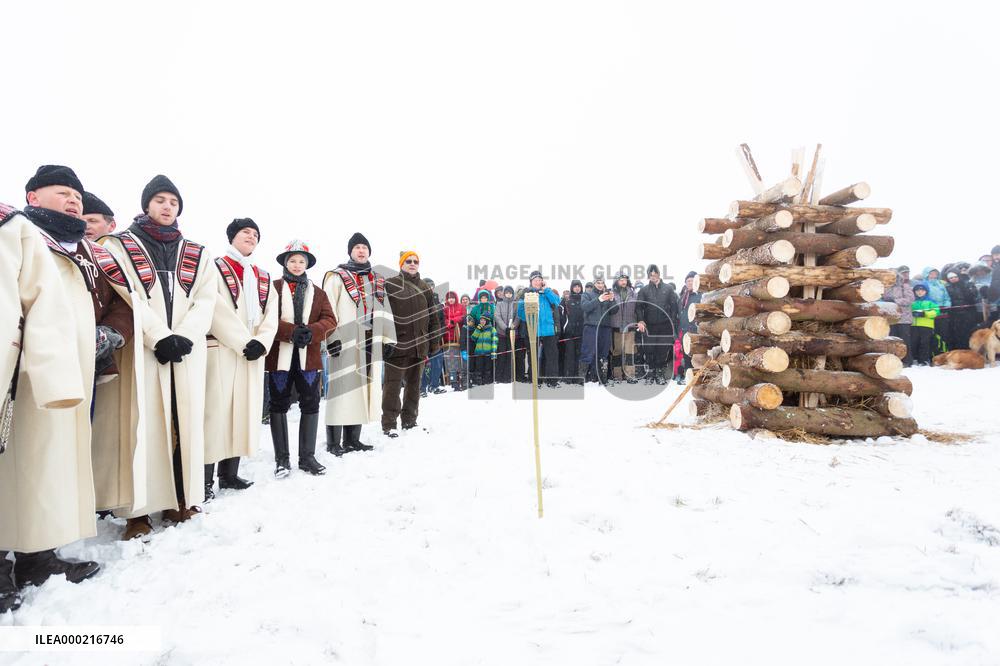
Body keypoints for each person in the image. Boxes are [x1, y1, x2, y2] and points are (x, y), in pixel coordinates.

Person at [0, 167, 111, 611]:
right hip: (25, 374)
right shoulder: (19, 230)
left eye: (78, 196)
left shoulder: (78, 249)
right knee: (11, 467)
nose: (74, 200)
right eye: (62, 192)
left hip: (65, 373)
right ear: (32, 195)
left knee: (42, 470)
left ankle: (36, 556)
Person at [101, 175, 216, 539]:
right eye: (161, 200)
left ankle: (179, 498)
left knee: (184, 424)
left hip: (186, 350)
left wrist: (183, 335)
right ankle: (137, 511)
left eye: (174, 202)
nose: (167, 207)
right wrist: (159, 336)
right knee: (141, 426)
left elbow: (206, 299)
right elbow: (128, 294)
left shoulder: (198, 252)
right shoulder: (120, 245)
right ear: (146, 204)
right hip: (143, 349)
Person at [204, 219, 278, 497]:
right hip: (222, 348)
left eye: (256, 234)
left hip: (252, 353)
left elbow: (271, 311)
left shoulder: (262, 275)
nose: (251, 236)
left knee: (241, 412)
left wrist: (261, 342)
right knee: (215, 413)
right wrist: (243, 341)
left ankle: (229, 473)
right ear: (232, 236)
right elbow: (214, 306)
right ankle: (204, 480)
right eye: (246, 232)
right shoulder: (213, 267)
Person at [266, 240, 336, 473]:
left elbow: (330, 320)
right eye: (292, 261)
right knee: (278, 404)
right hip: (280, 356)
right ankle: (282, 460)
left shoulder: (318, 292)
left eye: (301, 261)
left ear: (307, 265)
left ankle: (307, 457)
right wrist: (290, 332)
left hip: (309, 356)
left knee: (311, 404)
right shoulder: (272, 288)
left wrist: (312, 332)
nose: (297, 265)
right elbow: (264, 320)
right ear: (286, 263)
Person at [322, 233, 396, 454]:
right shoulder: (336, 276)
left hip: (369, 342)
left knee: (361, 391)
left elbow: (385, 310)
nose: (361, 250)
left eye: (365, 247)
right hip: (344, 341)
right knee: (341, 391)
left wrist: (388, 339)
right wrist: (330, 338)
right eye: (357, 247)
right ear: (350, 252)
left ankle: (352, 439)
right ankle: (334, 442)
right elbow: (327, 309)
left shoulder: (377, 279)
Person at [382, 250, 439, 436]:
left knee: (414, 385)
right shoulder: (390, 284)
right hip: (396, 345)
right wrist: (385, 341)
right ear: (401, 264)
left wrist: (433, 342)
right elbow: (382, 314)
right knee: (392, 386)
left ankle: (409, 420)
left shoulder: (424, 287)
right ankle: (389, 424)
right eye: (408, 261)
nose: (412, 264)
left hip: (419, 345)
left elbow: (433, 316)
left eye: (415, 261)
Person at [635, 265, 679, 384]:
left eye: (655, 274)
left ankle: (659, 373)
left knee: (662, 350)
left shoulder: (668, 288)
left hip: (665, 325)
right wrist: (640, 320)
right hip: (650, 325)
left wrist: (672, 320)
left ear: (659, 274)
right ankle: (650, 373)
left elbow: (674, 306)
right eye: (651, 275)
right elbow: (639, 307)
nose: (653, 277)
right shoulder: (644, 290)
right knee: (649, 349)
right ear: (648, 276)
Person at [516, 271, 561, 387]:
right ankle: (535, 380)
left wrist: (546, 289)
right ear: (531, 282)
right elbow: (521, 315)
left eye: (539, 280)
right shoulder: (527, 294)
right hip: (533, 330)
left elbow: (556, 302)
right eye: (535, 280)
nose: (537, 282)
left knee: (552, 356)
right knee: (533, 357)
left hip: (548, 330)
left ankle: (552, 381)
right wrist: (522, 300)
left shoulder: (547, 293)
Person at [579, 276, 614, 383]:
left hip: (605, 327)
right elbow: (585, 307)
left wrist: (612, 300)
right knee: (587, 352)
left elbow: (614, 311)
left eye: (602, 282)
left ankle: (601, 378)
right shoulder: (587, 294)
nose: (600, 284)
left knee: (603, 353)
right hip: (591, 327)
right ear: (594, 284)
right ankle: (582, 378)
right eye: (598, 282)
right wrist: (599, 299)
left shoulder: (608, 295)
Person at [608, 273, 638, 382]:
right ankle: (617, 375)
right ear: (616, 281)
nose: (623, 282)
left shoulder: (633, 294)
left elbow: (637, 310)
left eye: (625, 279)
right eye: (621, 280)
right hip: (616, 327)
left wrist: (638, 322)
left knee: (630, 352)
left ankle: (630, 375)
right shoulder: (611, 293)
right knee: (617, 352)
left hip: (630, 327)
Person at [420, 278, 447, 396]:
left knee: (437, 362)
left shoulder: (437, 301)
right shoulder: (419, 299)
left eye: (432, 286)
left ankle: (434, 385)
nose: (430, 288)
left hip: (436, 338)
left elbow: (442, 321)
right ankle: (422, 388)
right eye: (427, 286)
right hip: (423, 337)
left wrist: (439, 333)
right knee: (425, 364)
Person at [883, 265, 915, 366]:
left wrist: (895, 301)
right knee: (892, 339)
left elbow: (910, 299)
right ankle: (894, 360)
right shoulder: (886, 288)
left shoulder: (905, 286)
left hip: (904, 318)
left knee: (904, 341)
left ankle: (907, 360)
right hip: (891, 317)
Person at [944, 270, 979, 350]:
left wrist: (970, 290)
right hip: (955, 313)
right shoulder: (947, 287)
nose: (953, 279)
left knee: (969, 331)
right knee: (958, 333)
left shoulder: (967, 284)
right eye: (951, 278)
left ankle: (970, 349)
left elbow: (974, 296)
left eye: (955, 277)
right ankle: (960, 349)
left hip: (969, 312)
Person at [676, 271, 700, 383]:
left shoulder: (700, 295)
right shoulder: (682, 298)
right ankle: (688, 375)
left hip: (696, 330)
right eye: (687, 281)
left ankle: (698, 376)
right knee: (686, 355)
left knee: (697, 354)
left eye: (691, 280)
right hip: (684, 329)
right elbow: (679, 314)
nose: (689, 283)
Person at [560, 280, 585, 384]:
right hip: (569, 333)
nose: (577, 288)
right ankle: (568, 377)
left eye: (579, 286)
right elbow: (562, 316)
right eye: (575, 286)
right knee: (570, 355)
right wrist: (565, 328)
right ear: (572, 288)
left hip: (582, 332)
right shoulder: (567, 300)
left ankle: (578, 377)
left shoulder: (585, 299)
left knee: (580, 355)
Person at [442, 291, 467, 390]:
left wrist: (454, 320)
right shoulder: (445, 308)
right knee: (450, 359)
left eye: (452, 297)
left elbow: (464, 316)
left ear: (455, 298)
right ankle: (452, 381)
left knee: (459, 359)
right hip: (448, 338)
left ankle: (462, 379)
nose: (450, 299)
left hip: (460, 336)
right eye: (449, 298)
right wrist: (449, 323)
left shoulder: (461, 307)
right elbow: (443, 320)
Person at [910, 282, 939, 365]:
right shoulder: (912, 301)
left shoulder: (931, 301)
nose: (920, 292)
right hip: (914, 325)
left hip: (927, 325)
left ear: (926, 291)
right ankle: (915, 358)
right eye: (917, 290)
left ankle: (924, 359)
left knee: (925, 343)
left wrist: (924, 314)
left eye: (922, 290)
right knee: (914, 342)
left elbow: (936, 311)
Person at [494, 285, 518, 384]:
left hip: (512, 333)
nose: (508, 294)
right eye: (507, 292)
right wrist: (505, 328)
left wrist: (513, 327)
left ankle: (508, 376)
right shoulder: (499, 304)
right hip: (501, 333)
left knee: (509, 355)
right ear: (504, 294)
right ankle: (499, 376)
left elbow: (518, 317)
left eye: (510, 293)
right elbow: (497, 316)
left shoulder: (515, 304)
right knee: (501, 355)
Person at [469, 312, 498, 386]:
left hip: (488, 353)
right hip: (478, 352)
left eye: (484, 320)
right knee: (479, 367)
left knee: (487, 367)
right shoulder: (478, 328)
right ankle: (478, 381)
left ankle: (487, 380)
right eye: (481, 320)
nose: (482, 322)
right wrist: (478, 330)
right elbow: (473, 338)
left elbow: (494, 341)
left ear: (487, 321)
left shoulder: (492, 329)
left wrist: (494, 352)